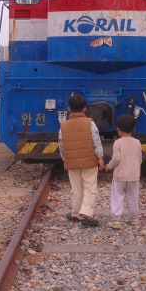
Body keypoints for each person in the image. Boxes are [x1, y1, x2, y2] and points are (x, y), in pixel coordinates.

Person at [58, 93, 105, 227]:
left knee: (76, 189)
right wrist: (100, 157)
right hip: (89, 162)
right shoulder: (90, 123)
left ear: (69, 109)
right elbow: (96, 141)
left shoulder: (63, 126)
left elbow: (61, 145)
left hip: (72, 162)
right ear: (85, 109)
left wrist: (65, 160)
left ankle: (76, 213)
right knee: (90, 187)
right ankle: (86, 212)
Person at [103, 113, 142, 229]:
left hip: (120, 176)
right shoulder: (137, 142)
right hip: (134, 176)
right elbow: (139, 159)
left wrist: (109, 166)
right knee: (133, 196)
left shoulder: (118, 143)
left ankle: (116, 220)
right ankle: (134, 218)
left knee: (117, 196)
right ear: (134, 129)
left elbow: (116, 159)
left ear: (118, 130)